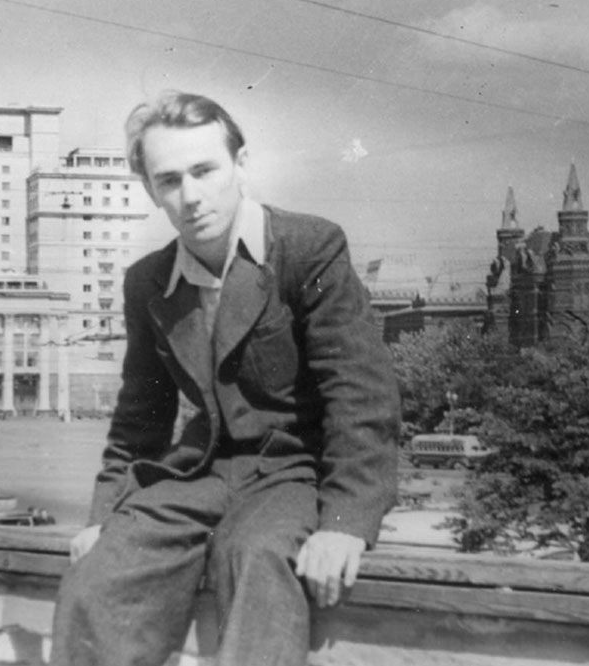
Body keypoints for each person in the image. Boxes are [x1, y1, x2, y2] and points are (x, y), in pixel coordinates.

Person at [49, 91, 400, 666]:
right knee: (95, 582)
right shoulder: (148, 281)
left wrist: (344, 522)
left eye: (204, 170)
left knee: (255, 558)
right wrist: (103, 516)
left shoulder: (308, 249)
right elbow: (140, 416)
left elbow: (359, 392)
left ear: (240, 164)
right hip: (197, 475)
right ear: (150, 191)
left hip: (292, 472)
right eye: (168, 180)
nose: (190, 196)